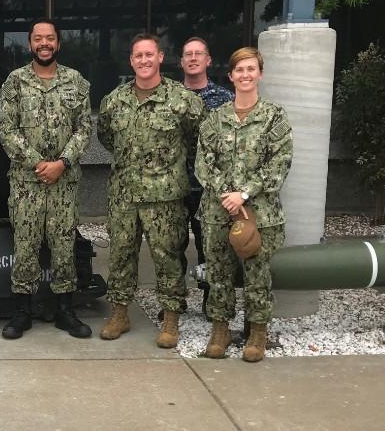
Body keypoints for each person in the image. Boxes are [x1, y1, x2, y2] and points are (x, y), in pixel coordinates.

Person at [97, 33, 204, 348]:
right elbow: (106, 138)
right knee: (120, 254)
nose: (143, 60)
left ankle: (171, 318)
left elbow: (198, 139)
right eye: (137, 56)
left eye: (149, 55)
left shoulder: (183, 100)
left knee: (167, 256)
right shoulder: (114, 101)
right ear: (131, 61)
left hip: (165, 197)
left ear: (161, 57)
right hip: (124, 194)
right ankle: (120, 314)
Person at [195, 47, 292, 362]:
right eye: (240, 70)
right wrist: (227, 194)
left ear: (260, 74)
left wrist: (244, 193)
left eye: (251, 69)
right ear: (231, 76)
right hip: (218, 211)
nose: (246, 75)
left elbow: (280, 163)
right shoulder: (215, 119)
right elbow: (203, 164)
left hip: (260, 214)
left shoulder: (274, 116)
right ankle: (220, 330)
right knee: (219, 273)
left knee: (258, 275)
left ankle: (257, 332)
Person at [0, 17, 92, 339]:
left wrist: (62, 162)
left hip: (64, 183)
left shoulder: (76, 82)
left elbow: (84, 129)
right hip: (27, 184)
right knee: (25, 246)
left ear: (58, 43)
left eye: (49, 38)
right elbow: (7, 131)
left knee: (64, 246)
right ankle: (21, 311)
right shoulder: (15, 81)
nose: (44, 43)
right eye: (38, 38)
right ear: (30, 44)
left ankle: (66, 310)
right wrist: (40, 163)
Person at [179, 37, 233, 301]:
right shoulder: (171, 97)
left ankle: (210, 300)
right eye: (188, 54)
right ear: (181, 61)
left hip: (209, 188)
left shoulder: (225, 99)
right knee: (172, 247)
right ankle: (174, 302)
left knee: (209, 246)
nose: (193, 58)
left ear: (208, 60)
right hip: (176, 185)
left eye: (198, 53)